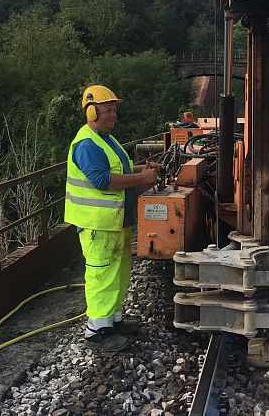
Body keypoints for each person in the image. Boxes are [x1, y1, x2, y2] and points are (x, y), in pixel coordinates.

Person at [64, 85, 161, 352]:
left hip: (116, 222)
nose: (114, 114)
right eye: (108, 110)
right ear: (92, 112)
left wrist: (145, 168)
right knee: (101, 275)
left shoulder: (107, 140)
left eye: (115, 109)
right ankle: (97, 331)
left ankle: (113, 320)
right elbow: (101, 180)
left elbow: (123, 170)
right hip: (98, 225)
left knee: (119, 272)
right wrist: (142, 179)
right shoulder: (87, 144)